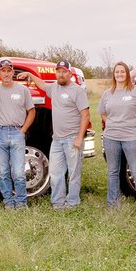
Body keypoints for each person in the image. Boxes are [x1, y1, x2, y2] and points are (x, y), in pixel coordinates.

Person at [18, 61, 89, 209]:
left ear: (69, 73)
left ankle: (73, 202)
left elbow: (85, 115)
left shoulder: (77, 91)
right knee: (56, 172)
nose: (61, 74)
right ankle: (57, 203)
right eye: (58, 71)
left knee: (74, 173)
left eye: (64, 72)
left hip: (72, 138)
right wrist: (30, 74)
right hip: (56, 140)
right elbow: (42, 85)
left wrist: (79, 138)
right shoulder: (54, 88)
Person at [99, 61, 136, 213]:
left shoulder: (135, 92)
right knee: (113, 171)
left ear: (127, 74)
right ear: (114, 75)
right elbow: (103, 112)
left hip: (132, 138)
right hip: (111, 138)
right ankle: (113, 204)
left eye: (122, 71)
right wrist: (109, 122)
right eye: (117, 72)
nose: (120, 74)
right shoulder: (107, 93)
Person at [0, 59, 35, 210]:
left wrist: (23, 130)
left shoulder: (22, 90)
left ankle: (21, 202)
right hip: (0, 133)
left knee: (18, 172)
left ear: (13, 72)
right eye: (3, 71)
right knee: (3, 172)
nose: (6, 73)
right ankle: (8, 202)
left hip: (17, 132)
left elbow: (31, 112)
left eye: (8, 70)